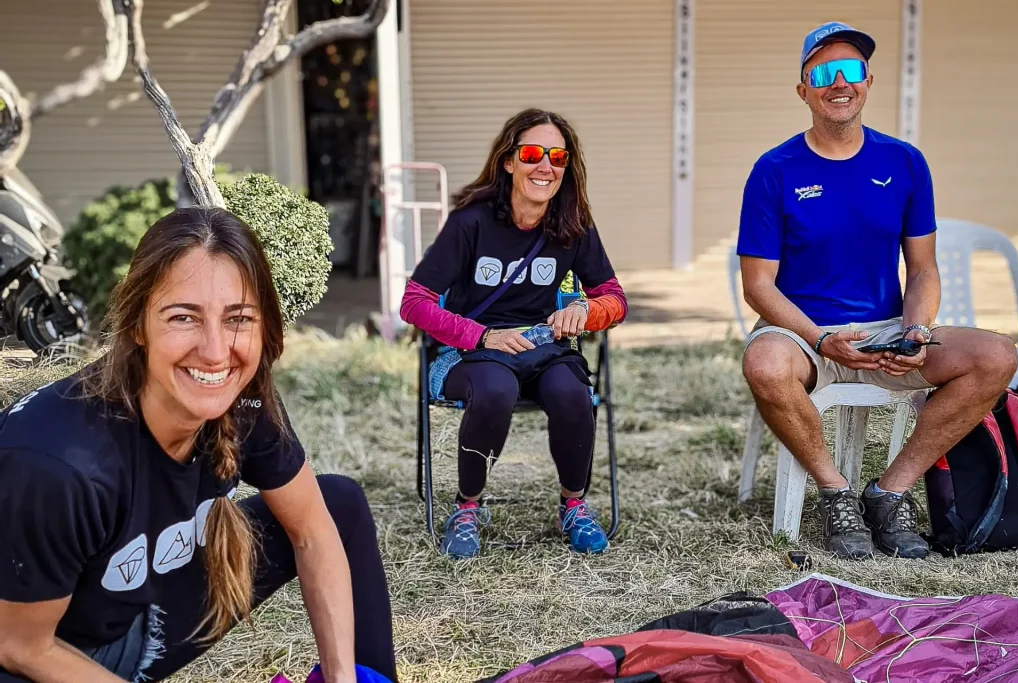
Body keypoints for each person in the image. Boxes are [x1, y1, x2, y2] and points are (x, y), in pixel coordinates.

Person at [0, 208, 396, 682]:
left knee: (339, 504)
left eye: (238, 318)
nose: (214, 350)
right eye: (184, 317)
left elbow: (312, 530)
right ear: (137, 324)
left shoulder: (244, 401)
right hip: (44, 655)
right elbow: (20, 647)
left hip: (140, 613)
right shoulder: (60, 462)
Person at [737, 22, 1018, 560]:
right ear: (804, 90)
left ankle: (888, 494)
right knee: (765, 365)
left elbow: (923, 270)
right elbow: (758, 286)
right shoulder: (774, 170)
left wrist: (917, 329)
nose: (837, 82)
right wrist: (820, 340)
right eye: (823, 72)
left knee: (995, 355)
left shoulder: (904, 162)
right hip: (802, 334)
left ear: (867, 82)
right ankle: (835, 493)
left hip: (888, 331)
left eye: (849, 70)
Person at [400, 108, 628, 559]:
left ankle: (574, 503)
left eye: (557, 158)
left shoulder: (573, 224)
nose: (545, 166)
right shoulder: (472, 222)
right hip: (471, 352)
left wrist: (586, 310)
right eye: (531, 154)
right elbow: (414, 302)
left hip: (544, 350)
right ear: (509, 161)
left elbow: (615, 298)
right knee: (496, 388)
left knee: (571, 393)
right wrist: (482, 336)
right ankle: (467, 507)